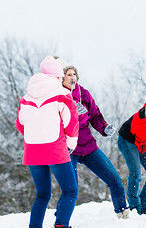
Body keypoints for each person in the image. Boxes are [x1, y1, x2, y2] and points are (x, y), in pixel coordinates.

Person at [17, 55, 82, 228]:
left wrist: (35, 138)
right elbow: (71, 123)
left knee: (43, 193)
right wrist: (71, 144)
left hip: (33, 151)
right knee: (70, 190)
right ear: (57, 75)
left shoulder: (26, 97)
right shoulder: (61, 94)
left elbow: (21, 125)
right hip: (55, 149)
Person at [54, 56, 129, 219]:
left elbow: (95, 115)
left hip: (88, 146)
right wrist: (74, 115)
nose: (72, 77)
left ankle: (122, 213)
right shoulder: (57, 96)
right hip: (68, 150)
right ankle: (60, 222)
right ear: (61, 79)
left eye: (74, 74)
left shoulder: (83, 93)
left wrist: (104, 127)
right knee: (70, 189)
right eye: (68, 75)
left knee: (115, 180)